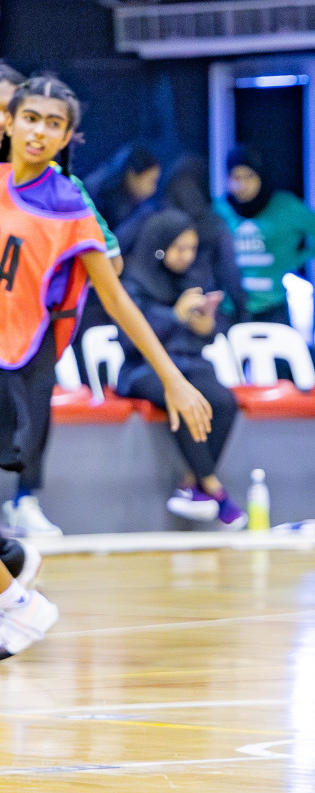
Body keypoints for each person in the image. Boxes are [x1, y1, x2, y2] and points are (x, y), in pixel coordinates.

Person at [1, 76, 212, 657]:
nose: (40, 131)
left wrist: (172, 377)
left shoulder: (68, 204)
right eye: (31, 118)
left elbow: (118, 299)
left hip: (11, 363)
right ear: (9, 122)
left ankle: (18, 598)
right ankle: (15, 575)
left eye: (54, 123)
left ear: (69, 136)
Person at [0, 65, 120, 538]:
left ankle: (25, 499)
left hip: (39, 322)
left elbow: (110, 262)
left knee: (32, 411)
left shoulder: (64, 193)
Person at [117, 209, 247, 529]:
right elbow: (129, 340)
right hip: (143, 369)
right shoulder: (134, 279)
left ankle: (192, 484)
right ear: (160, 246)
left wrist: (207, 326)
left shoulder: (195, 277)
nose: (187, 256)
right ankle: (214, 489)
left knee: (223, 401)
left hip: (191, 361)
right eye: (179, 248)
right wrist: (174, 315)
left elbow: (206, 334)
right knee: (184, 399)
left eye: (192, 248)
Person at [216, 145, 315, 325]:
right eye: (235, 177)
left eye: (249, 176)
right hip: (231, 309)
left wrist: (297, 259)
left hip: (272, 306)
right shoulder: (220, 209)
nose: (242, 184)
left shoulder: (284, 206)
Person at [161, 156, 246, 322]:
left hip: (201, 307)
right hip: (170, 308)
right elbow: (229, 271)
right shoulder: (161, 222)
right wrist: (242, 312)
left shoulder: (160, 219)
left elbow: (229, 270)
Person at [84, 139, 160, 249]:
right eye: (151, 181)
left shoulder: (137, 205)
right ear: (131, 176)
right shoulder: (92, 193)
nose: (154, 189)